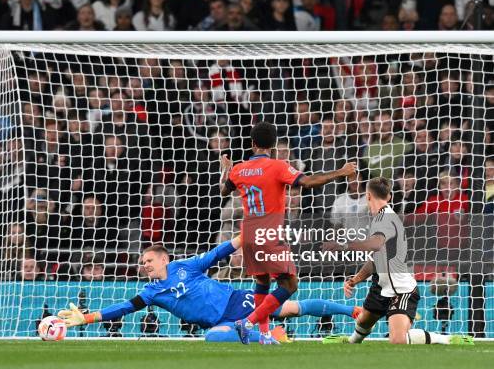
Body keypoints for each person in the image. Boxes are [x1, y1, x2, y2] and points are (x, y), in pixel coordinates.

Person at [58, 236, 361, 343]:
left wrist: (246, 235)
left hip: (235, 300)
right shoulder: (151, 291)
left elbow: (218, 253)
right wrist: (88, 317)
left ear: (164, 258)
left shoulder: (185, 266)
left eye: (148, 260)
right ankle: (269, 336)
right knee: (213, 337)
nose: (144, 265)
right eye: (141, 262)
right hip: (220, 322)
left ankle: (352, 311)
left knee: (291, 308)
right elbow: (125, 306)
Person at [219, 121, 356, 344]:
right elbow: (309, 182)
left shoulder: (238, 169)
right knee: (290, 285)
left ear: (252, 144)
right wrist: (341, 171)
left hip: (248, 234)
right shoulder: (278, 166)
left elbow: (223, 189)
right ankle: (248, 322)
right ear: (272, 145)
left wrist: (226, 167)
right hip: (270, 233)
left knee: (262, 283)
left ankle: (264, 335)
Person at [322, 177, 473, 345]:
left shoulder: (385, 218)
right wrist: (356, 279)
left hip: (401, 289)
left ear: (368, 196)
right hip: (381, 284)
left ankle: (447, 339)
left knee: (397, 340)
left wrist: (342, 245)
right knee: (364, 320)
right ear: (390, 197)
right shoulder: (381, 218)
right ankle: (351, 342)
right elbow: (376, 257)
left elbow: (375, 244)